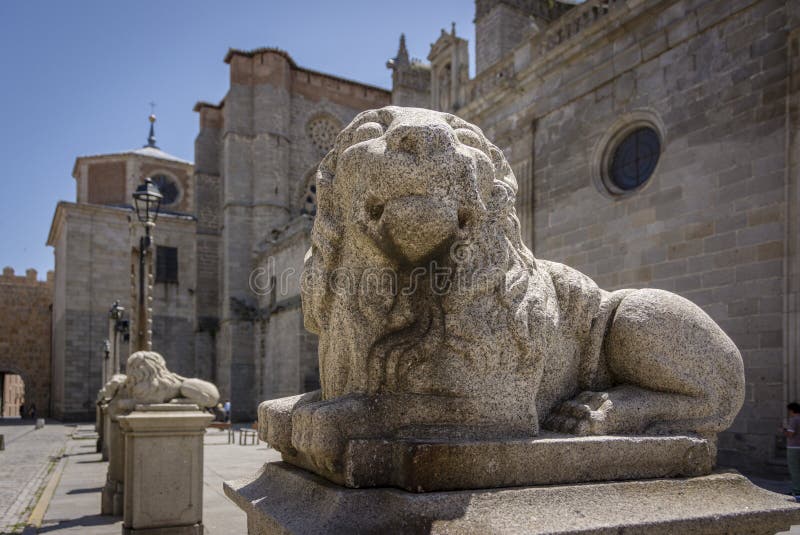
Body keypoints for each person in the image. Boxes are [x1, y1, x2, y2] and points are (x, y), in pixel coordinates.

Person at [783, 402, 800, 501]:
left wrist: (783, 430)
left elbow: (790, 434)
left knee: (795, 470)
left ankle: (797, 491)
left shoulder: (794, 420)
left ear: (791, 410)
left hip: (794, 448)